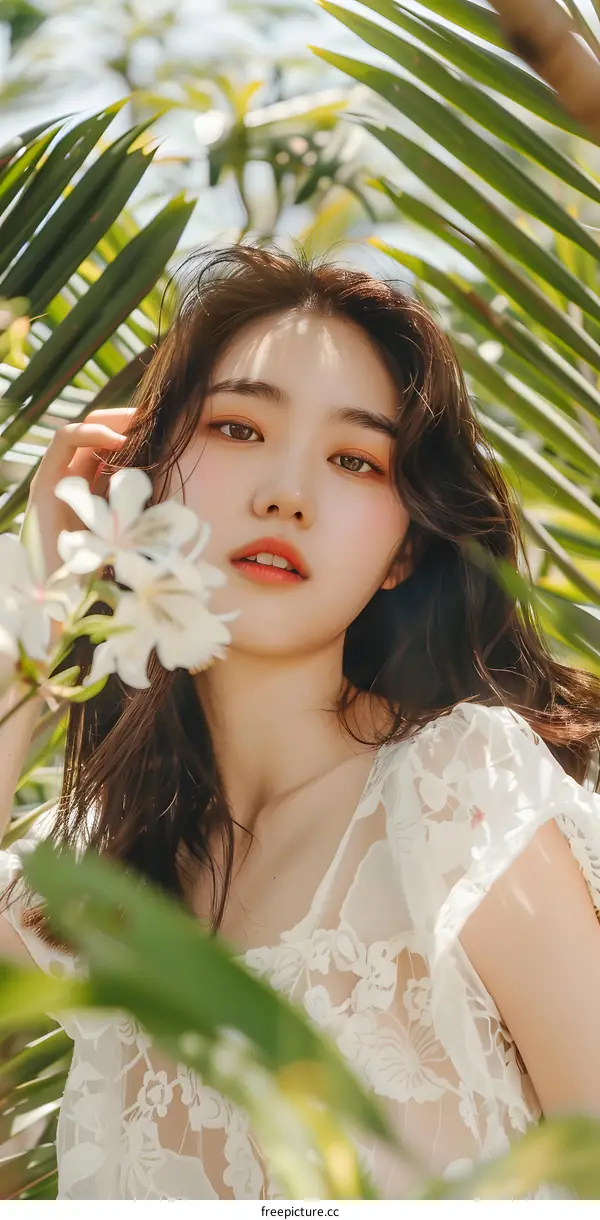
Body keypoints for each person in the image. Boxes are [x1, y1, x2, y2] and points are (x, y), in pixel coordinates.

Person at [1, 244, 600, 1202]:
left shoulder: (463, 791)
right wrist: (45, 602)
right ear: (145, 485)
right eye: (238, 429)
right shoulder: (97, 883)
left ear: (403, 553)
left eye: (355, 459)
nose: (286, 491)